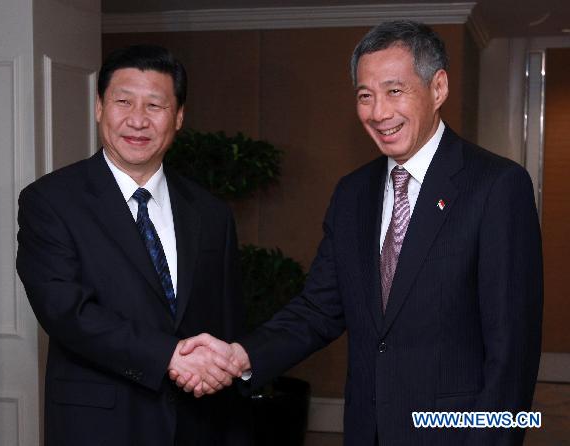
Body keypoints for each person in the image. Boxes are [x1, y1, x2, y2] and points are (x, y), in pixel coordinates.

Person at [174, 20, 543, 445]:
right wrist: (241, 356)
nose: (378, 112)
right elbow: (319, 309)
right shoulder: (353, 193)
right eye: (365, 96)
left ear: (438, 88)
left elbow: (511, 353)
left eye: (394, 91)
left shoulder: (496, 186)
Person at [16, 44, 251, 446]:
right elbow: (66, 312)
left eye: (155, 106)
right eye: (123, 102)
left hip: (198, 421)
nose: (137, 120)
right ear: (99, 108)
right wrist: (168, 355)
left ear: (178, 117)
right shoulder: (51, 201)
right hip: (99, 425)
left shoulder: (210, 212)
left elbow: (227, 319)